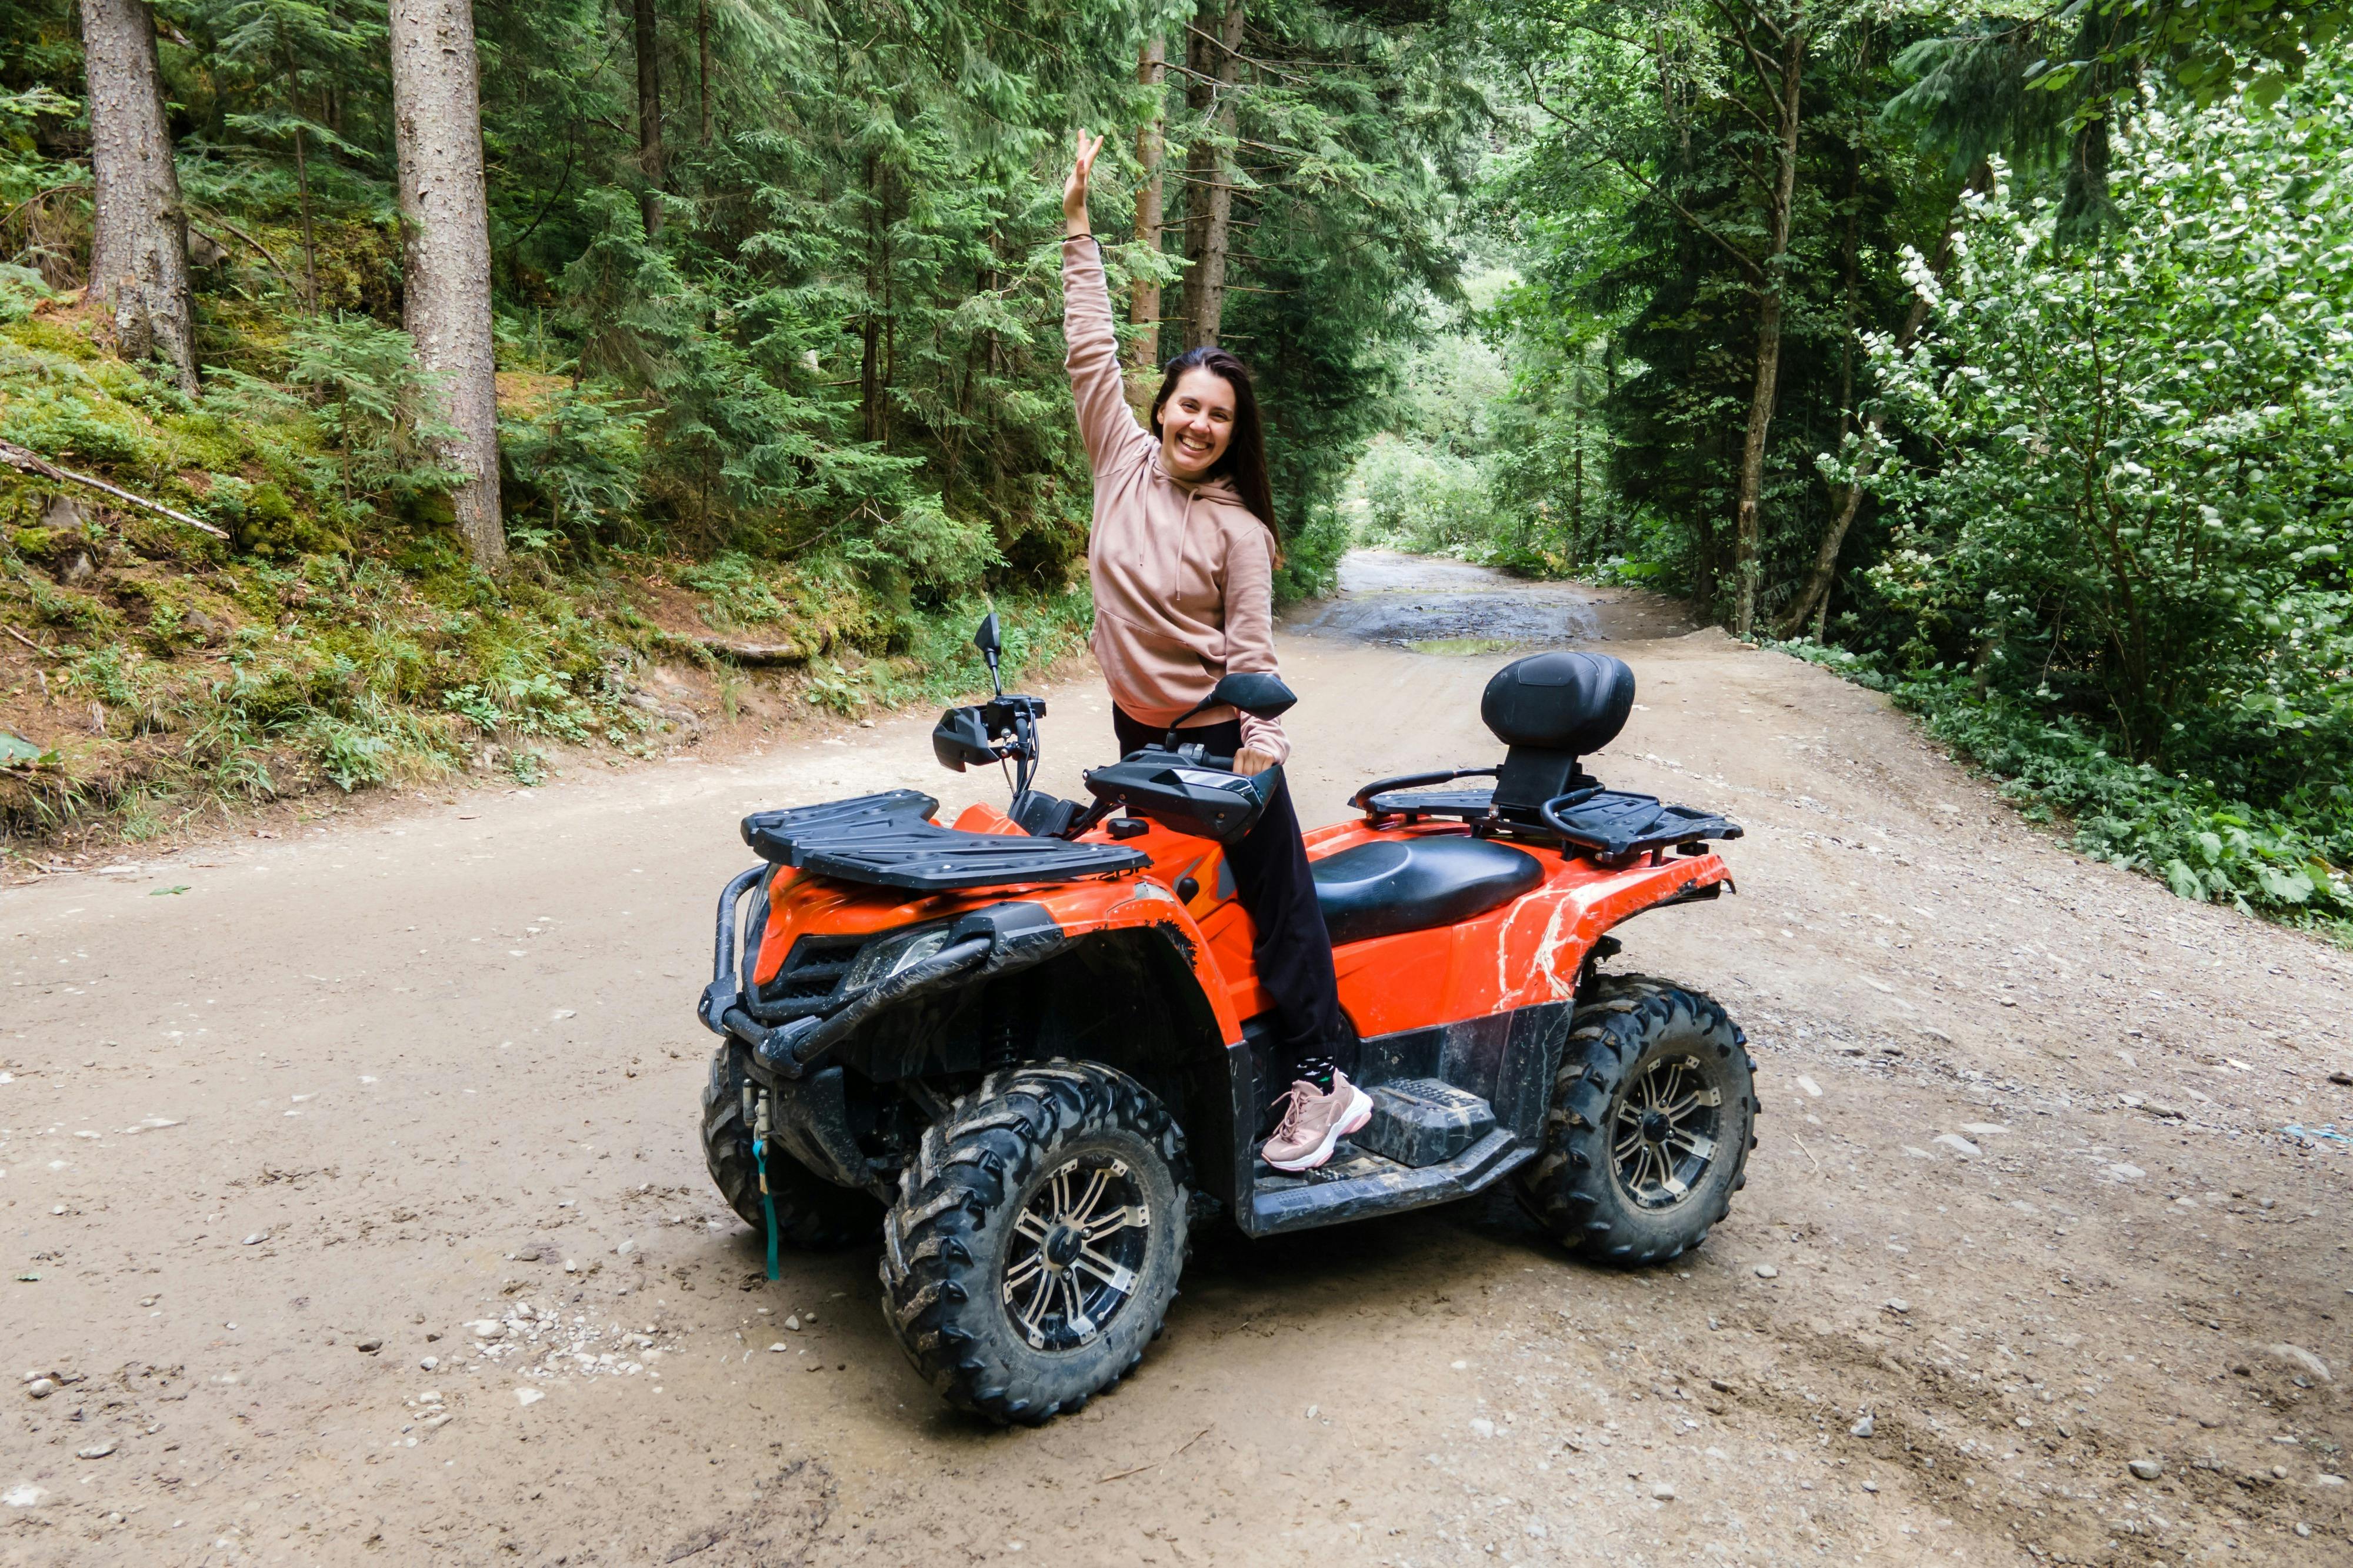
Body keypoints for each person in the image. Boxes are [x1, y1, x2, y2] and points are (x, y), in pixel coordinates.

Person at [1059, 131, 1365, 1173]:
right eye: (1189, 404)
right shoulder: (1119, 460)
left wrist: (1258, 752)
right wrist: (1076, 228)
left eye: (1219, 416)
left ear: (1235, 435)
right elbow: (1089, 348)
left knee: (1283, 905)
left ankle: (1327, 1079)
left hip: (1213, 744)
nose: (1199, 423)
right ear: (1161, 408)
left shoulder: (1241, 531)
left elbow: (1254, 653)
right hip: (1135, 733)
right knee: (1119, 894)